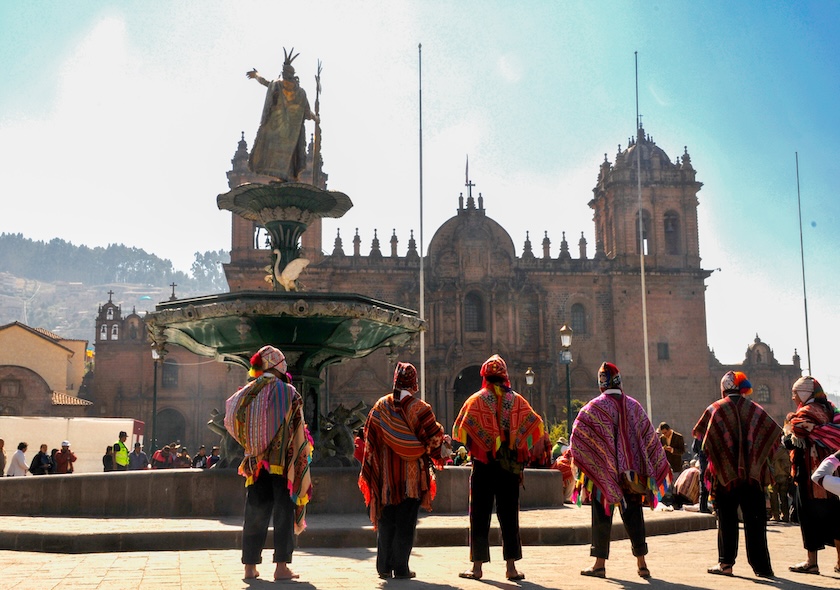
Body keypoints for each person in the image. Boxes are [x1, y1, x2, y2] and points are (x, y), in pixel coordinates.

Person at [570, 362, 671, 580]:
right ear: (619, 381)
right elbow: (650, 438)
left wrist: (595, 460)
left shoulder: (593, 408)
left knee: (602, 515)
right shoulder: (635, 406)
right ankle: (642, 564)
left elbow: (577, 436)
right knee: (635, 516)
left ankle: (599, 564)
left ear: (601, 384)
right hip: (632, 476)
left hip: (604, 473)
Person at [224, 345, 313, 581]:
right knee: (283, 512)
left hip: (255, 464)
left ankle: (250, 567)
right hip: (283, 465)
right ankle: (281, 567)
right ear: (278, 366)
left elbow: (230, 418)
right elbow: (298, 431)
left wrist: (250, 442)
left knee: (254, 512)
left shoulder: (245, 393)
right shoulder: (289, 392)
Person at [453, 354, 544, 582]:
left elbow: (462, 429)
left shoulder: (476, 400)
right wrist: (515, 444)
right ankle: (511, 568)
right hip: (509, 467)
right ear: (505, 377)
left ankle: (477, 568)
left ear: (484, 376)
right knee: (509, 515)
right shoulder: (518, 402)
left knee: (480, 515)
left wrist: (484, 441)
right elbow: (536, 425)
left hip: (483, 465)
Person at [358, 362, 446, 580]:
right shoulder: (421, 409)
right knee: (406, 523)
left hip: (386, 477)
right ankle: (401, 568)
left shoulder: (380, 407)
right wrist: (444, 443)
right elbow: (435, 441)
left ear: (395, 380)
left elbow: (369, 437)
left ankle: (383, 567)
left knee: (386, 519)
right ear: (414, 383)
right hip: (412, 479)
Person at [694, 370, 781, 578]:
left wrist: (721, 459)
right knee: (756, 520)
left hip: (725, 476)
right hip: (753, 476)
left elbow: (703, 443)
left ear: (723, 388)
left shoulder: (715, 409)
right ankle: (762, 568)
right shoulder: (755, 409)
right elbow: (775, 435)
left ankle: (726, 564)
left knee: (726, 520)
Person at [782, 375, 840, 576]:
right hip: (832, 474)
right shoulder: (831, 409)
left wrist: (789, 424)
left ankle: (811, 562)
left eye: (795, 394)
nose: (794, 399)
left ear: (804, 394)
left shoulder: (806, 411)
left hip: (810, 474)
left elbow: (796, 431)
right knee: (836, 517)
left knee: (808, 518)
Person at [246, 48, 318, 181]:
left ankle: (287, 178)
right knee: (291, 156)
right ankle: (289, 177)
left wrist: (256, 75)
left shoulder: (278, 86)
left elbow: (265, 82)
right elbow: (307, 113)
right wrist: (316, 118)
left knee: (279, 155)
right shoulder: (300, 93)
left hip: (278, 130)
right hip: (292, 133)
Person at [768, 443, 792, 522]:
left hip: (773, 476)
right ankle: (785, 515)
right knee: (784, 497)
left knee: (773, 497)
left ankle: (776, 515)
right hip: (784, 476)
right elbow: (788, 464)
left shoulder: (770, 450)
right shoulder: (785, 450)